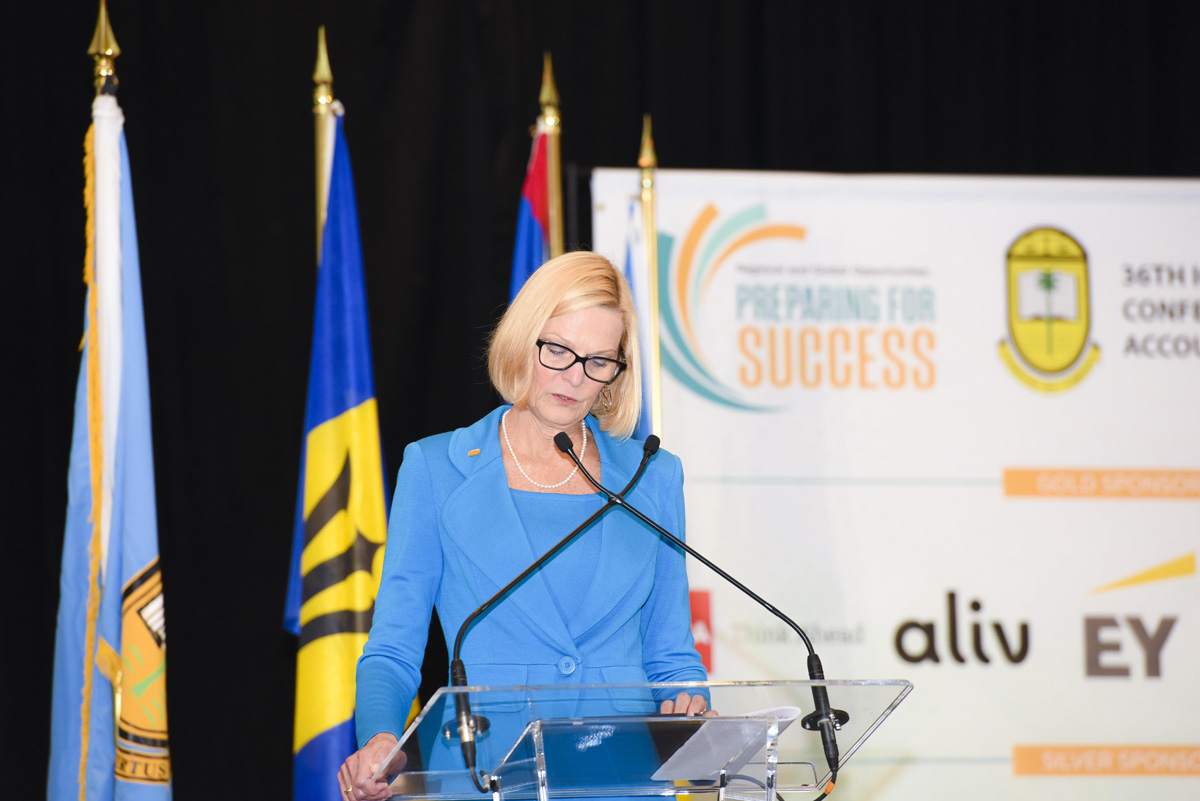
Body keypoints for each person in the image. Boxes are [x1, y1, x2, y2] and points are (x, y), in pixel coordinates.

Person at [338, 252, 709, 801]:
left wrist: (688, 706)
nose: (574, 377)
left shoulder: (652, 477)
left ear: (616, 372)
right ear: (522, 339)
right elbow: (394, 648)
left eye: (598, 361)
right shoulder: (436, 470)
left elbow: (671, 655)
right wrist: (380, 737)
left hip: (619, 779)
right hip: (480, 774)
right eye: (557, 350)